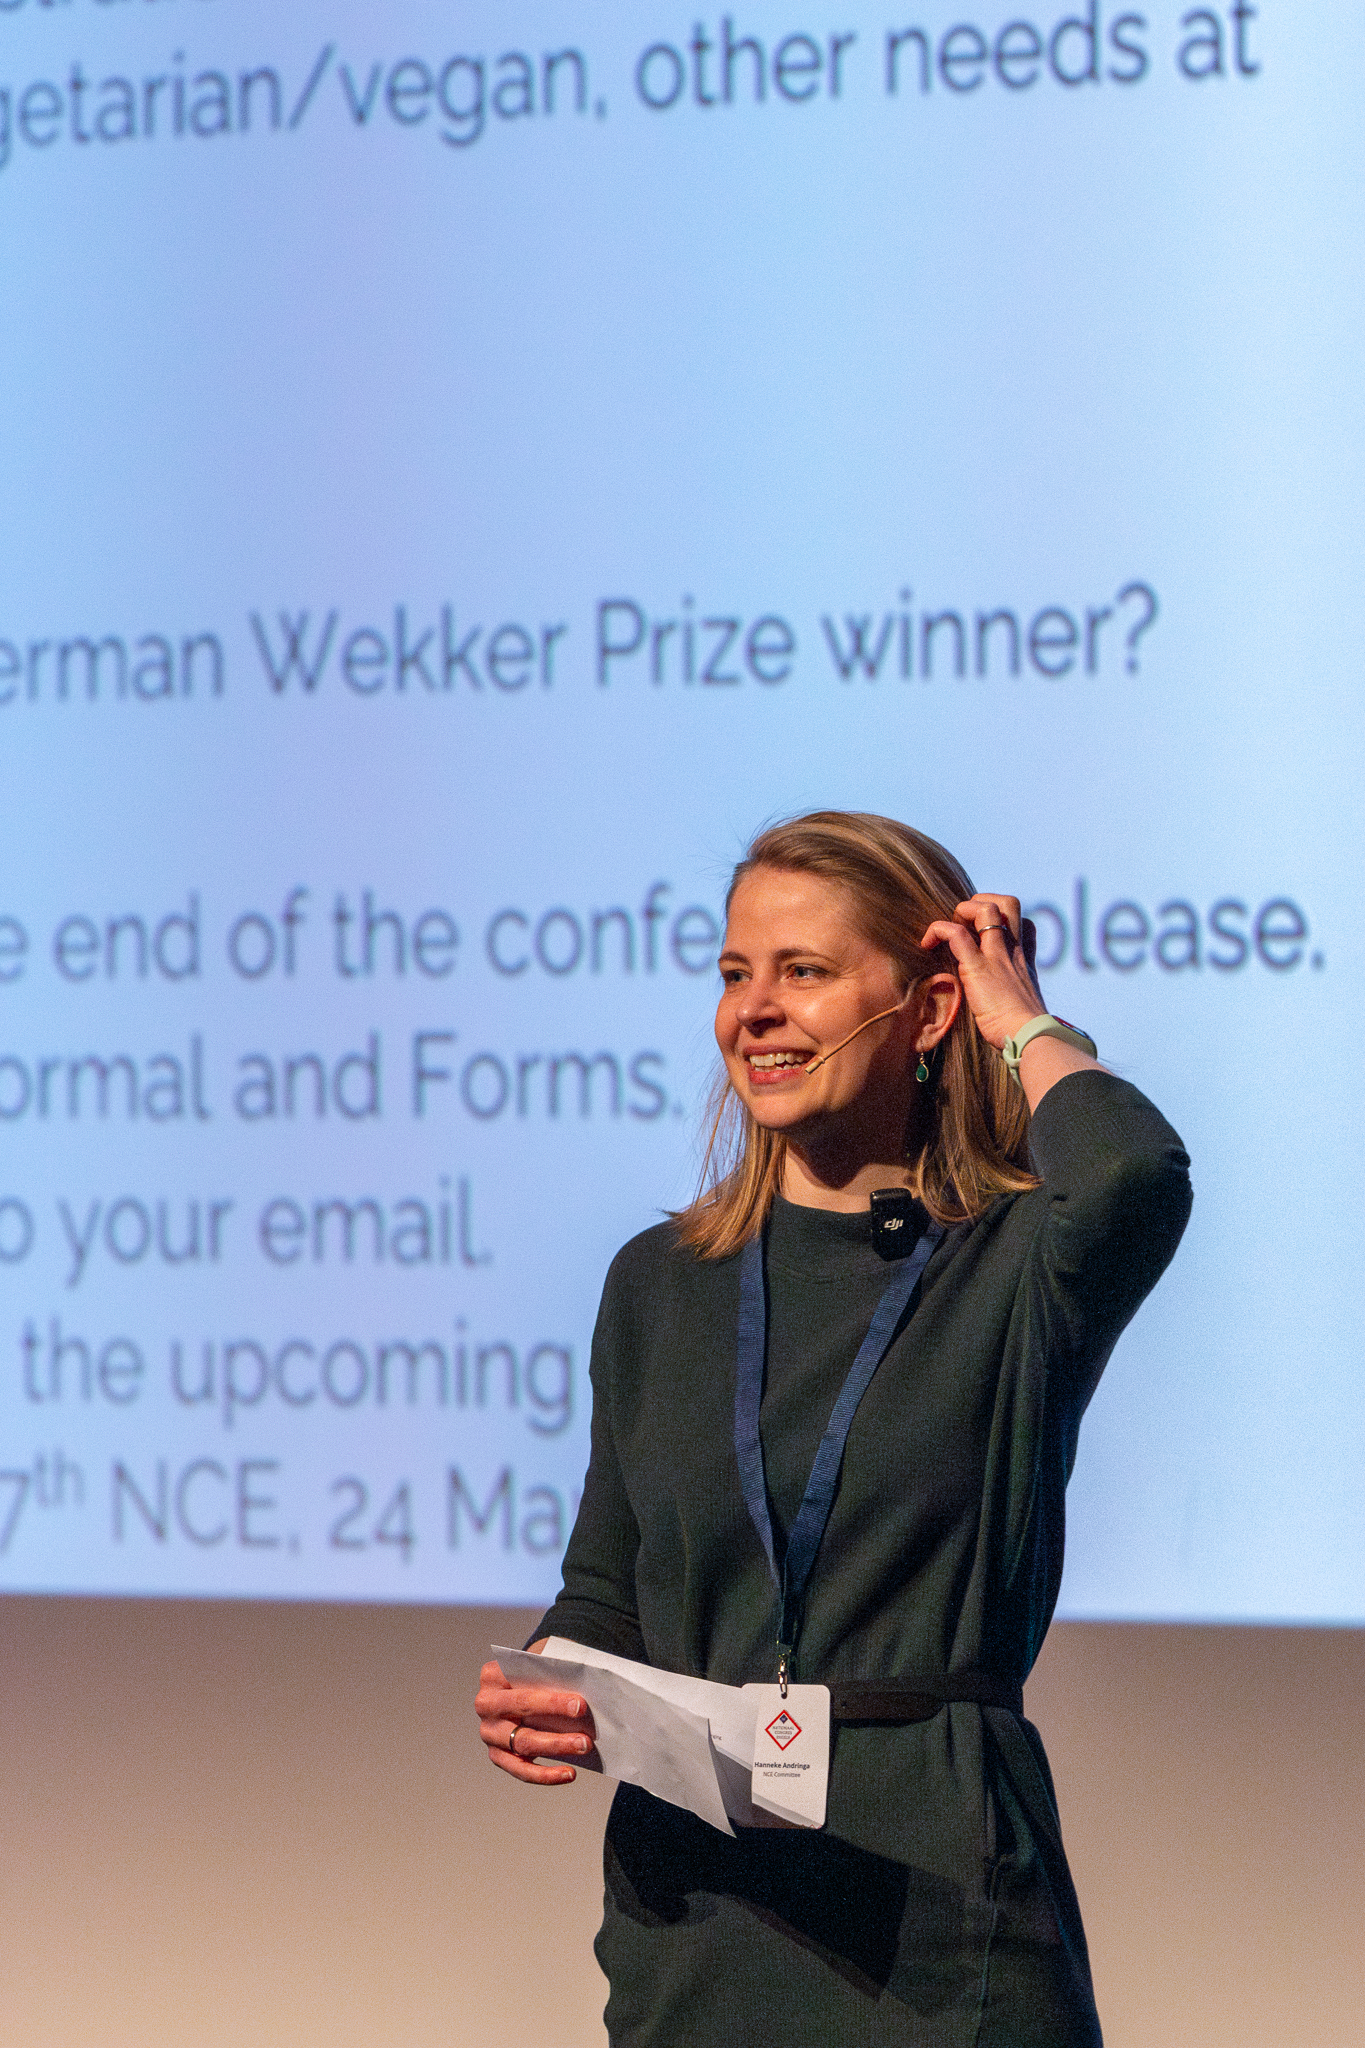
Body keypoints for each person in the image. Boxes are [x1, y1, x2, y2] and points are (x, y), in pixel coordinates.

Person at [475, 811, 1192, 2047]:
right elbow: (606, 1588)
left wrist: (1020, 1017)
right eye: (734, 973)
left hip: (945, 1920)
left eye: (802, 970)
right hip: (697, 1922)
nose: (753, 1010)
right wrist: (556, 1675)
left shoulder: (1014, 1261)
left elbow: (1131, 1171)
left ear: (926, 1008)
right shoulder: (660, 1279)